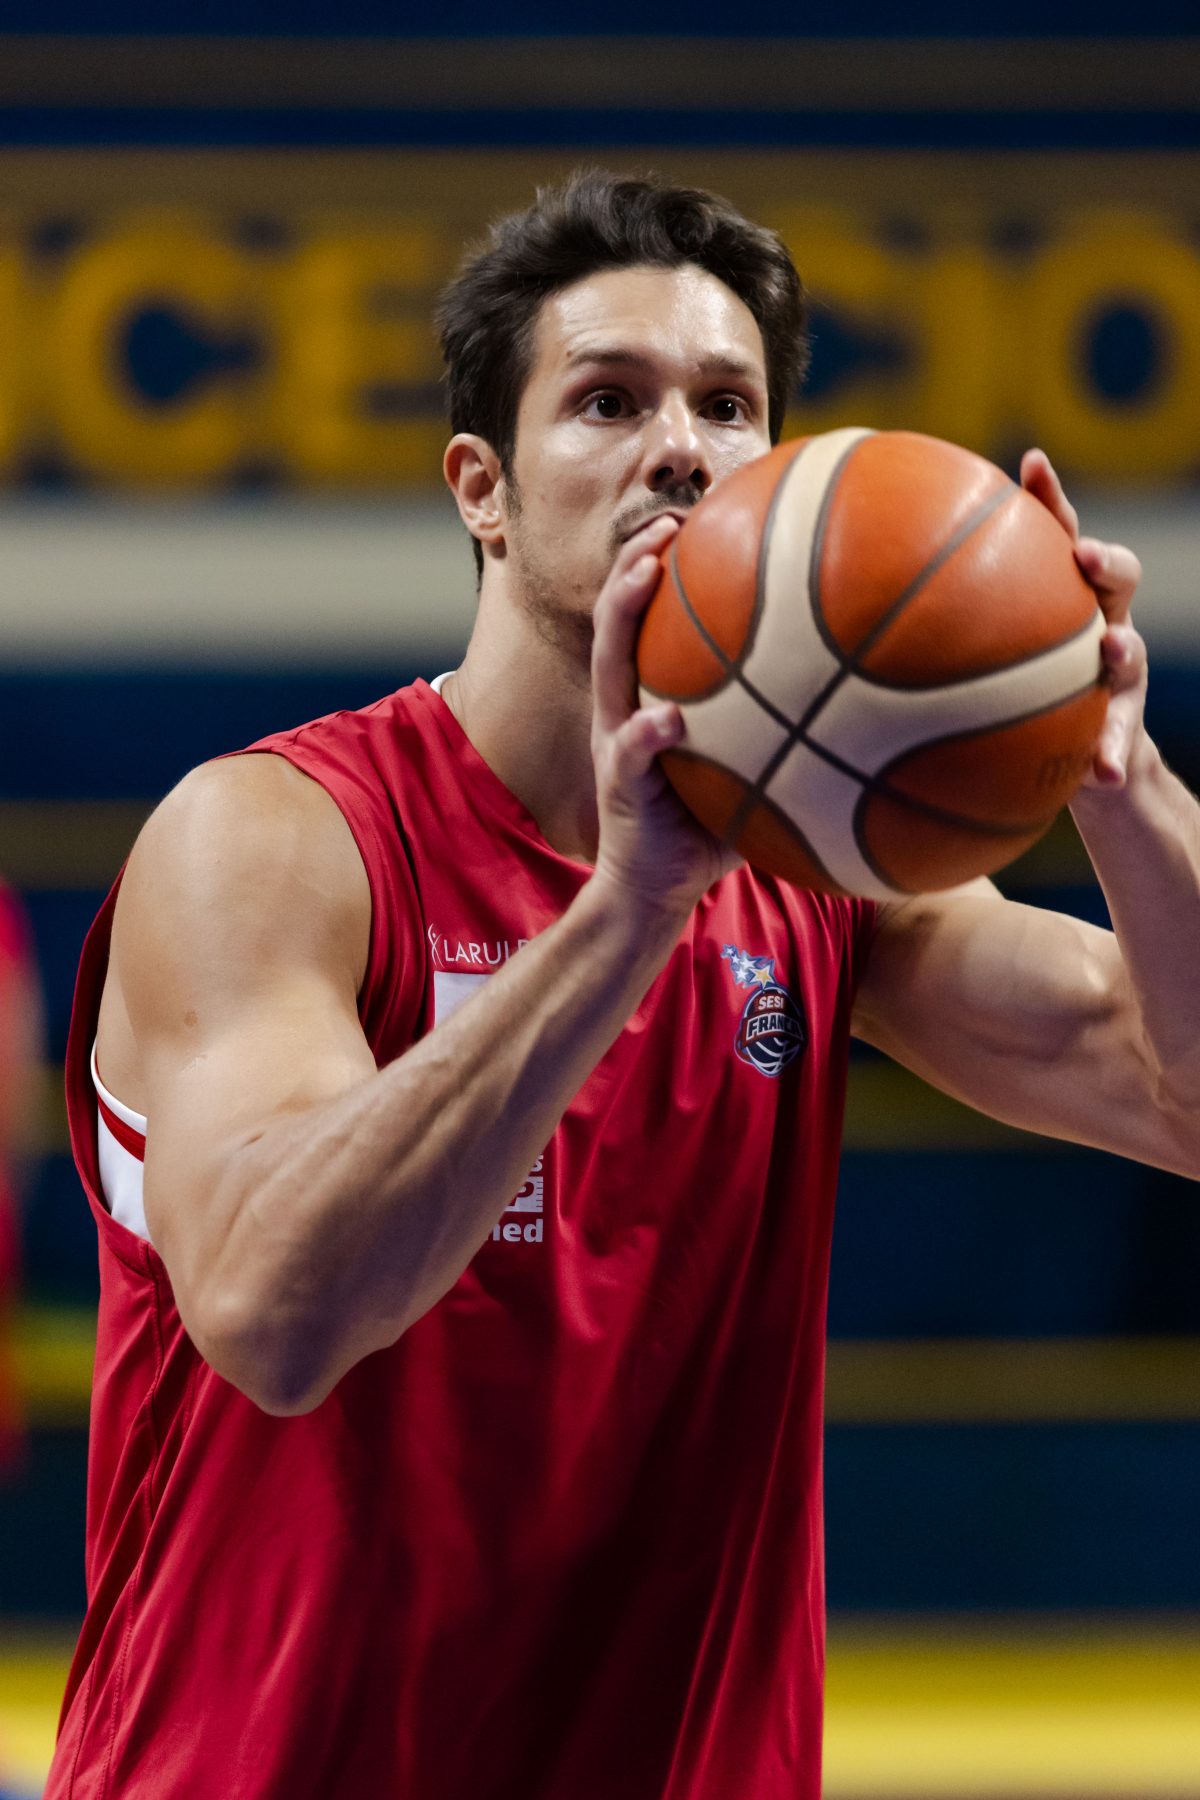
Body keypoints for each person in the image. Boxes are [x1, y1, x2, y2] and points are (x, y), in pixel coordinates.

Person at [48, 171, 1200, 1800]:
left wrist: (1117, 778)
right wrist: (625, 916)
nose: (680, 447)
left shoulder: (824, 882)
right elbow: (277, 1315)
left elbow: (1178, 1091)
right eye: (608, 401)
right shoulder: (275, 840)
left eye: (728, 406)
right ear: (484, 491)